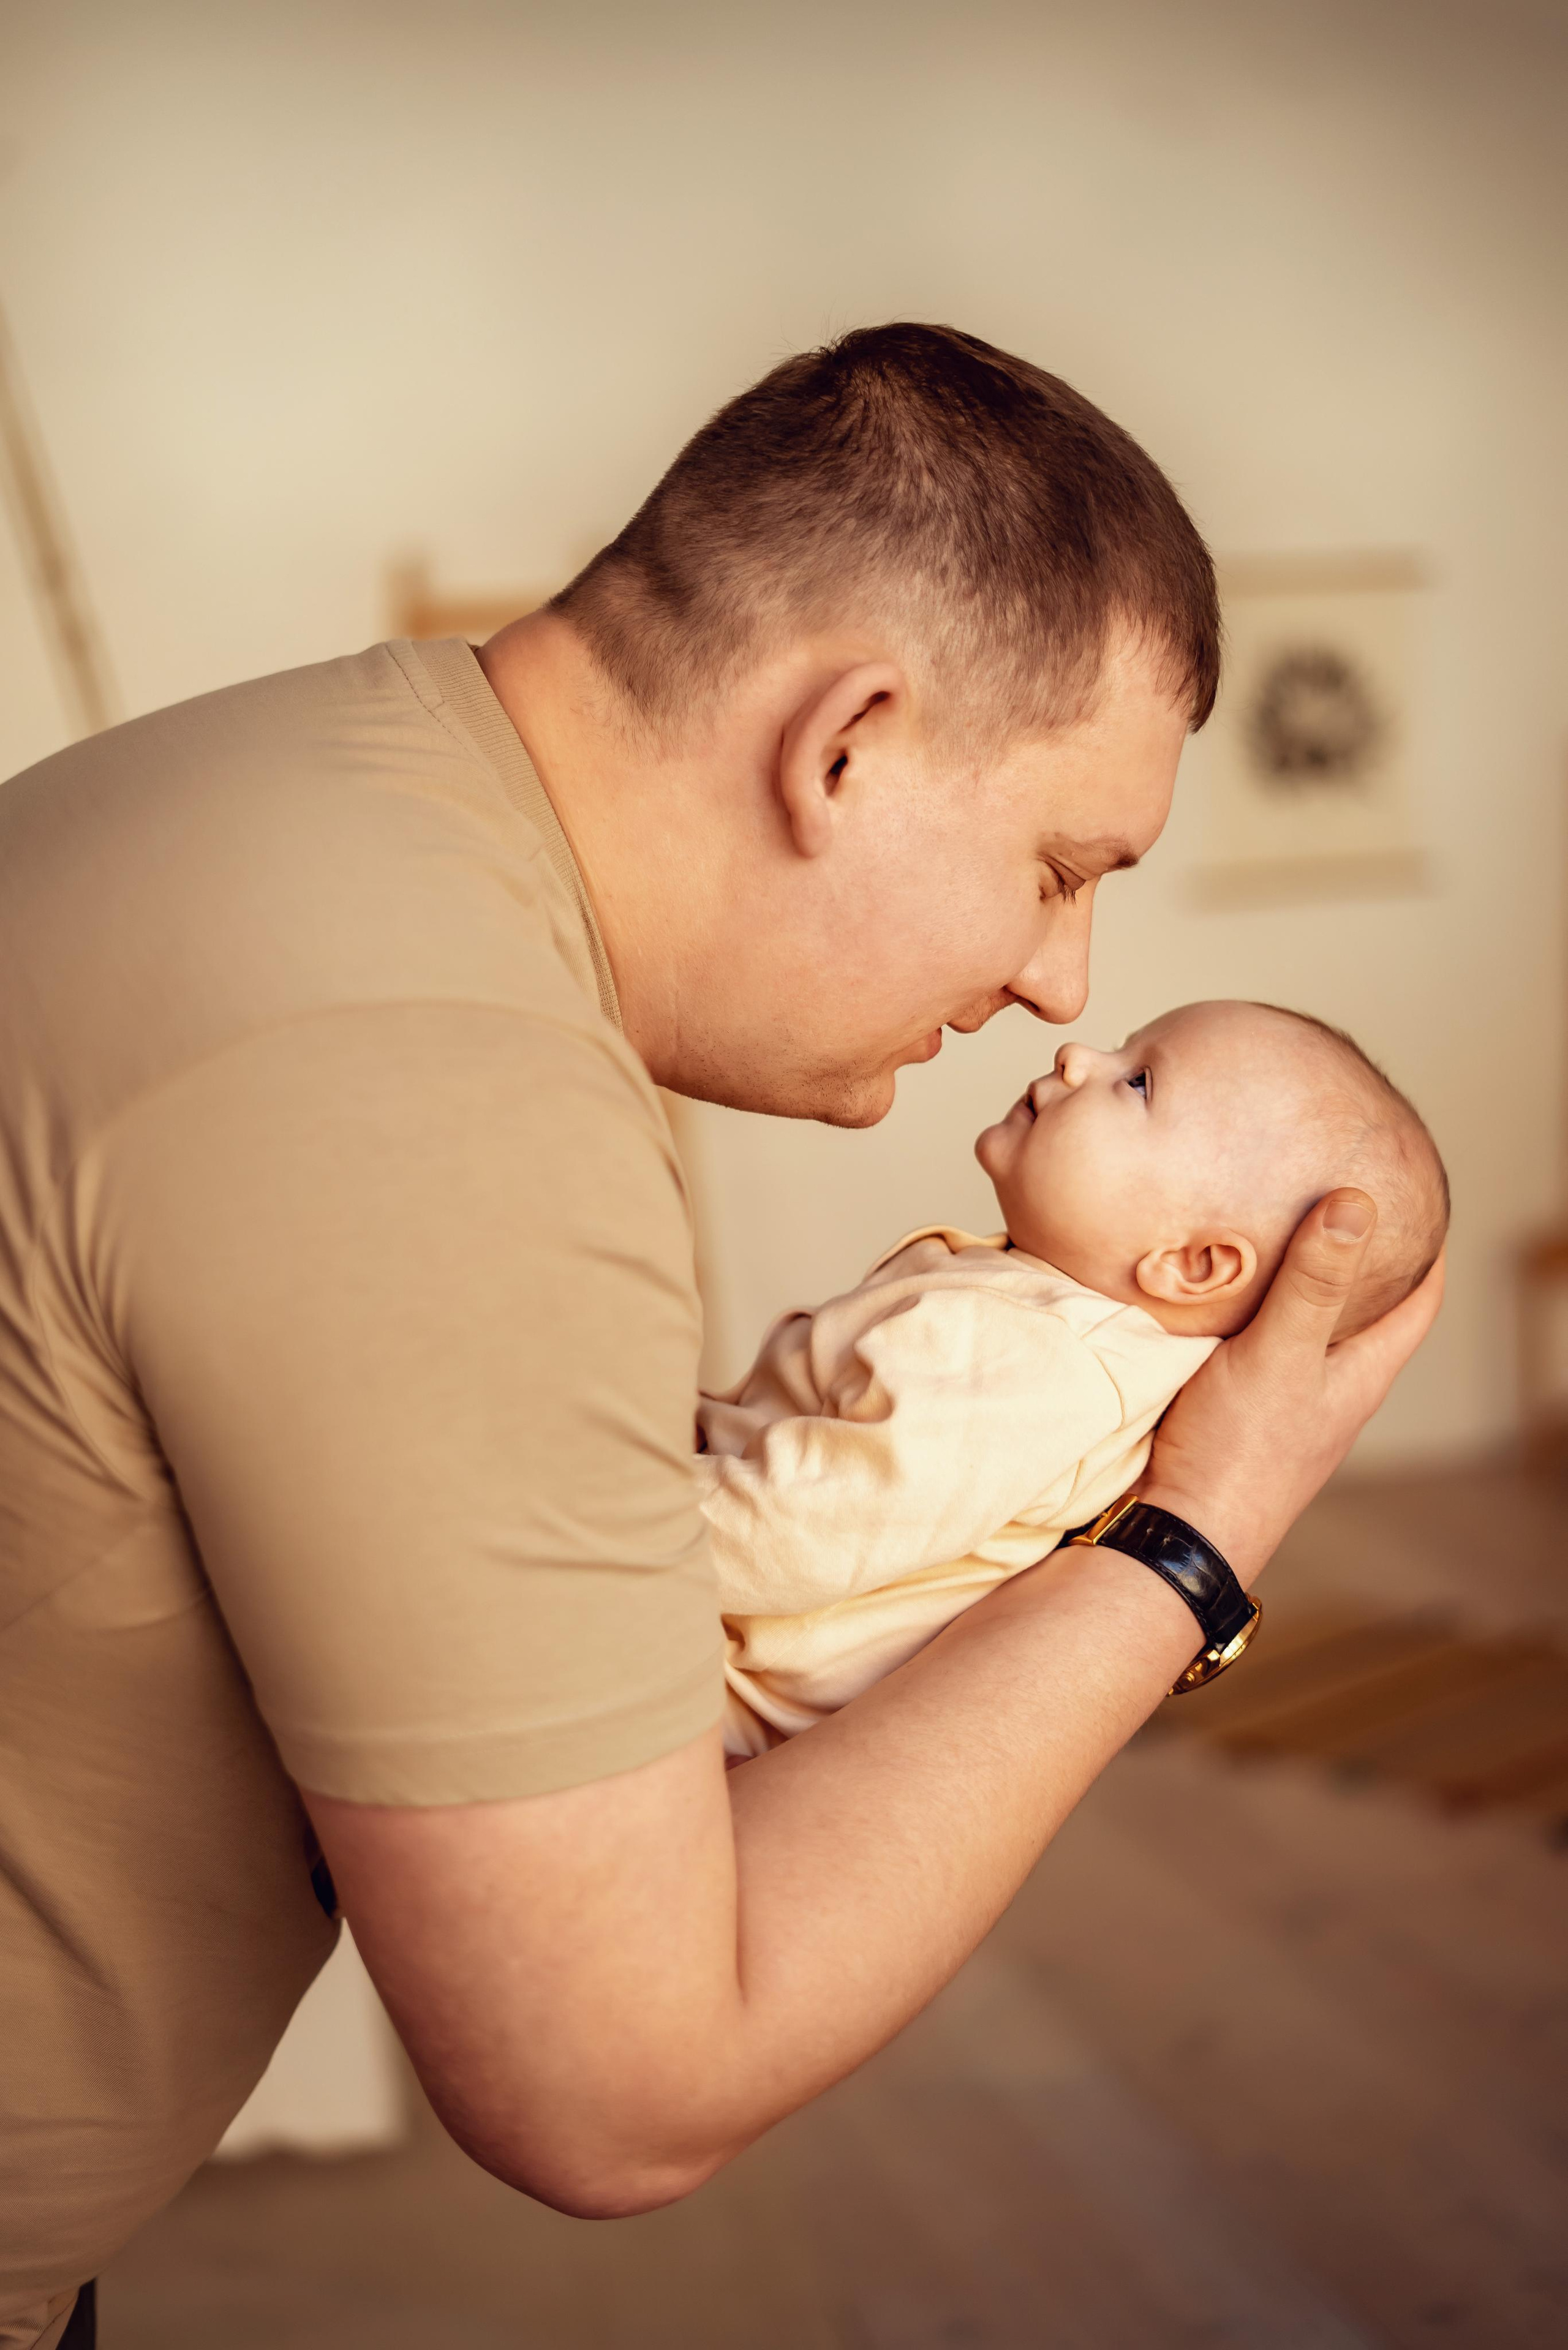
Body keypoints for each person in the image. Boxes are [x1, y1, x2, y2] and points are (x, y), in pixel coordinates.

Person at [0, 325, 1441, 2350]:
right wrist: (1199, 1535)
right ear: (845, 743)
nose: (1061, 983)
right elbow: (619, 2084)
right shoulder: (440, 1076)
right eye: (1059, 868)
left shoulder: (283, 786)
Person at [702, 999, 1449, 1753]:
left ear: (1193, 1264)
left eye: (1138, 1082)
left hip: (721, 1673)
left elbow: (800, 1528)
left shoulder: (1037, 1365)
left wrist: (633, 1515)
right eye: (1122, 1050)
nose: (1076, 1056)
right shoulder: (1050, 1328)